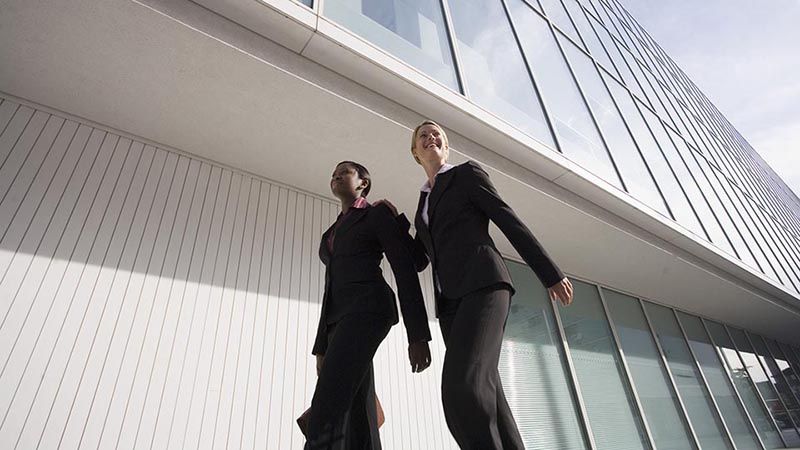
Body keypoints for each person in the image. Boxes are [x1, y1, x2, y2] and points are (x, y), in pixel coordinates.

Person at [379, 121, 574, 449]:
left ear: (445, 145)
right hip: (451, 307)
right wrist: (398, 221)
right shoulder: (422, 206)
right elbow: (420, 260)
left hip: (484, 287)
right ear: (415, 152)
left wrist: (549, 272)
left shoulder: (465, 175)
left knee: (463, 388)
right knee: (491, 399)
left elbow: (505, 217)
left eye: (436, 133)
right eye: (422, 135)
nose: (430, 137)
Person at [305, 161, 433, 450]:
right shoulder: (330, 235)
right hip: (338, 320)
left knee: (328, 401)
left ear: (363, 182)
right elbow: (330, 291)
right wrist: (321, 346)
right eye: (333, 172)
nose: (336, 175)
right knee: (360, 413)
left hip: (368, 310)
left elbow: (405, 268)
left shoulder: (375, 214)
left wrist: (418, 335)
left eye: (345, 171)